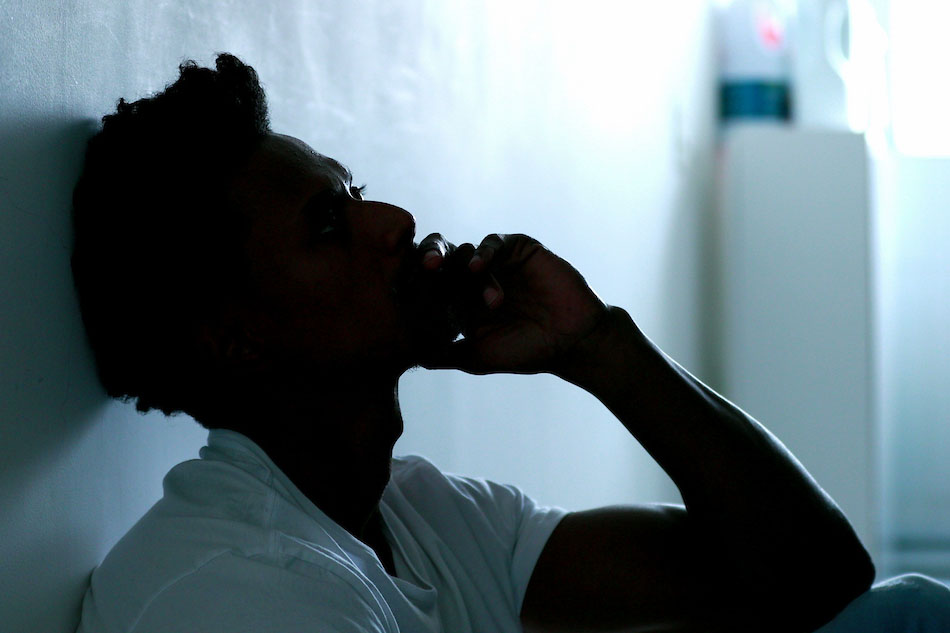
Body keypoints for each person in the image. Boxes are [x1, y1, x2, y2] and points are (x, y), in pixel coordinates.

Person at [70, 54, 948, 633]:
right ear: (235, 338)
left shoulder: (413, 514)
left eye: (358, 191)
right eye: (330, 224)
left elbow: (820, 580)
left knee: (905, 614)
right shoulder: (236, 588)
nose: (395, 221)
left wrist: (598, 345)